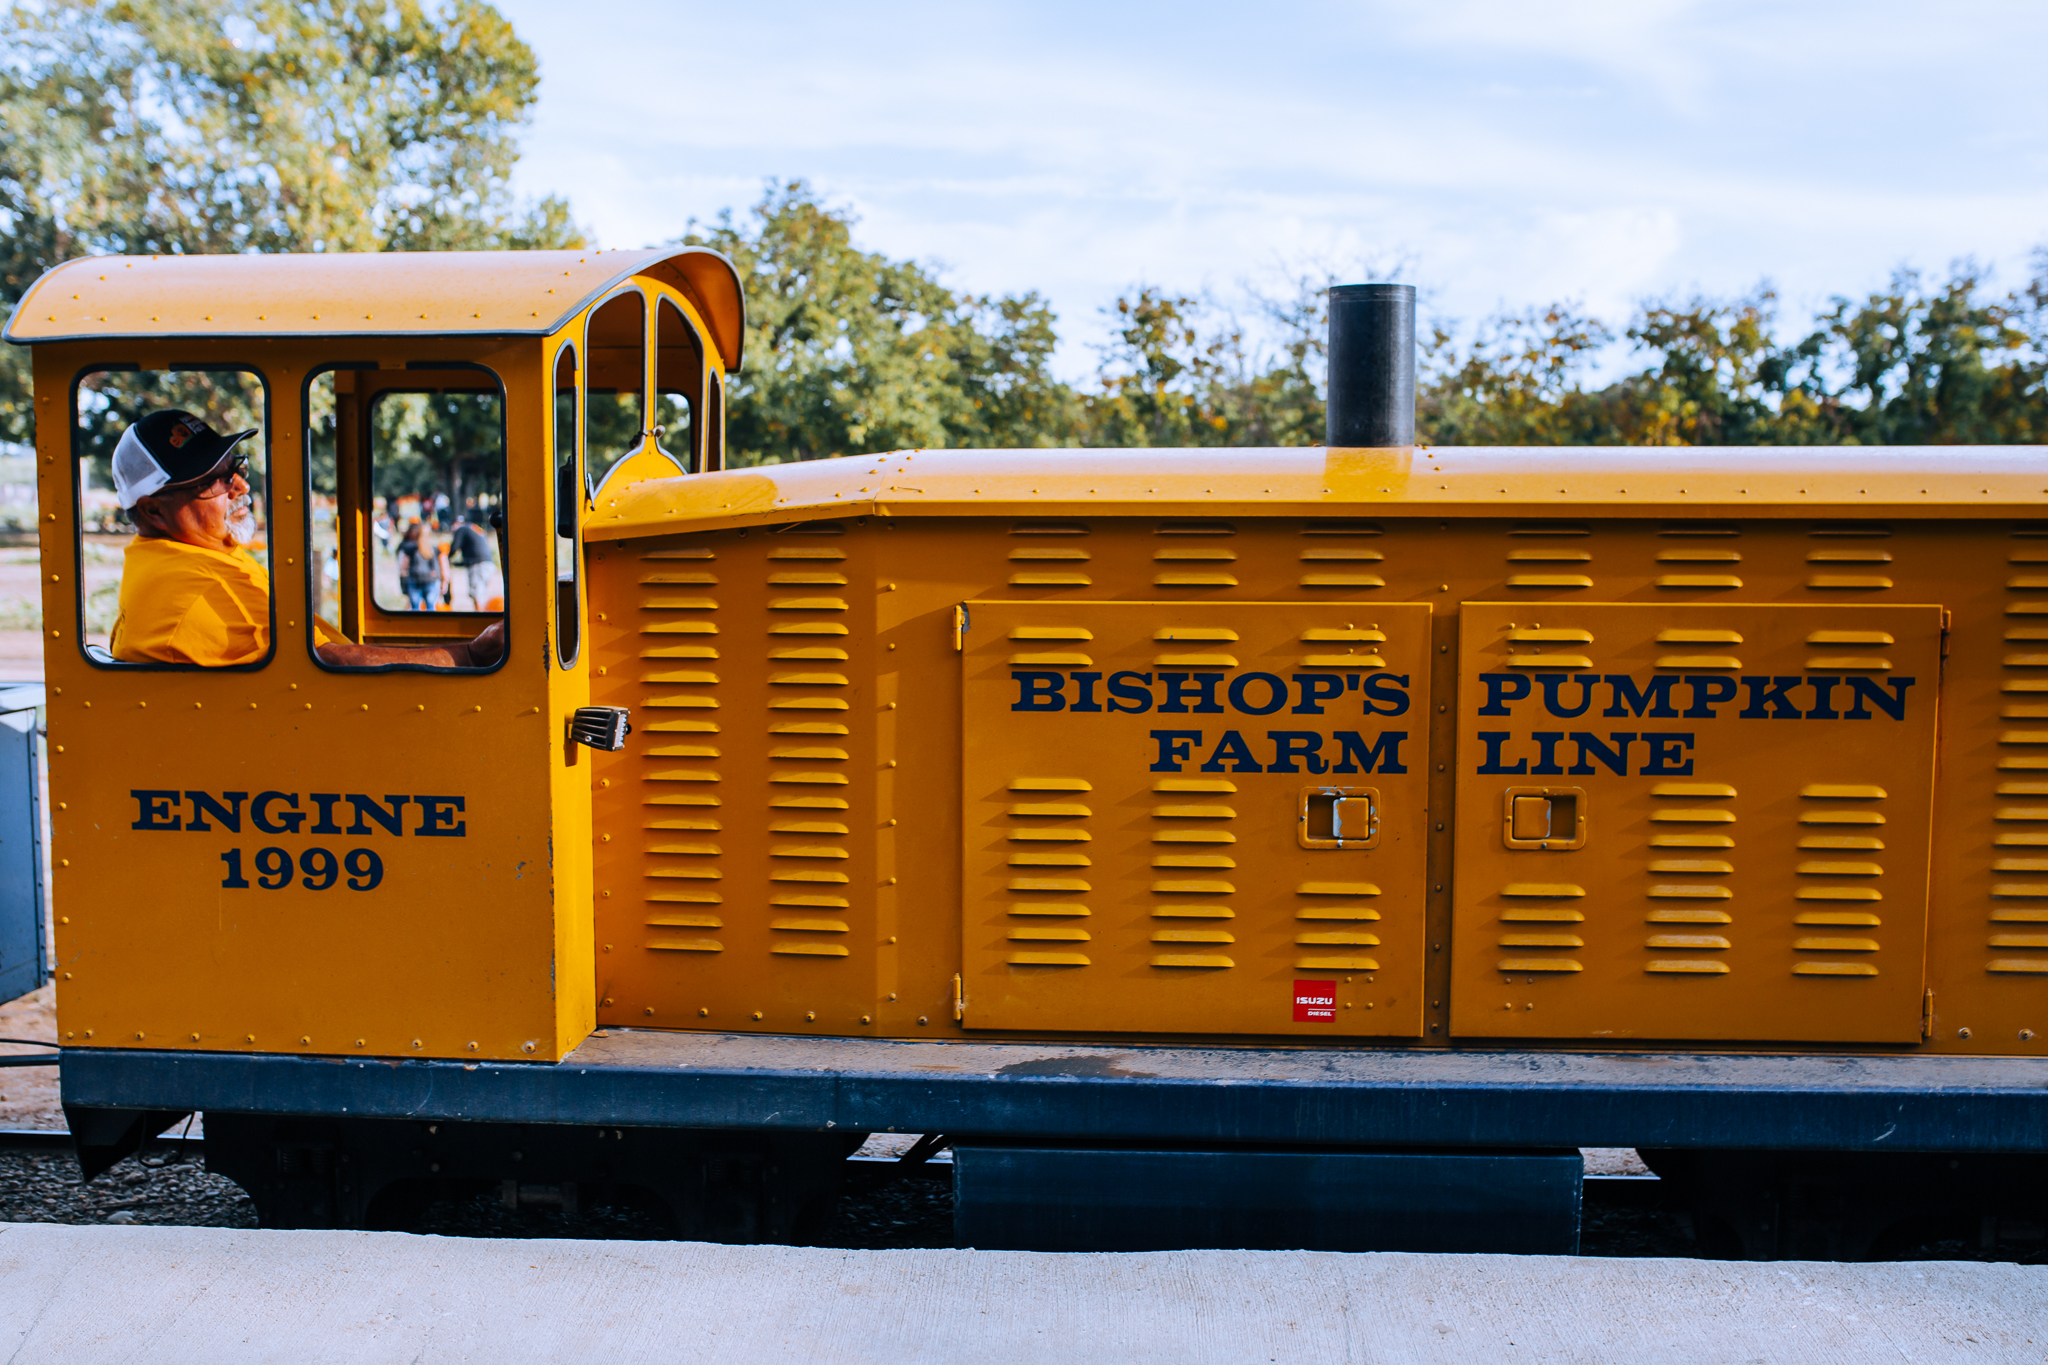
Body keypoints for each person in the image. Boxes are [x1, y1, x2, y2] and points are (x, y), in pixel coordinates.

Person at [106, 410, 502, 668]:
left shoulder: (188, 556)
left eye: (234, 468)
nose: (241, 485)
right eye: (214, 481)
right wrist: (470, 654)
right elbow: (328, 664)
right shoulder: (199, 590)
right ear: (154, 511)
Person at [448, 507, 501, 610]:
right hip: (489, 564)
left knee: (477, 595)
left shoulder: (461, 529)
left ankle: (479, 618)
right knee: (481, 594)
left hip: (478, 565)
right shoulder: (473, 528)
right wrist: (457, 563)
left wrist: (445, 557)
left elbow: (454, 548)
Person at [397, 521, 441, 611]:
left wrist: (403, 582)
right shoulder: (412, 548)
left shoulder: (412, 548)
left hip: (419, 581)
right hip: (423, 581)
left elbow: (403, 567)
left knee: (417, 608)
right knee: (429, 608)